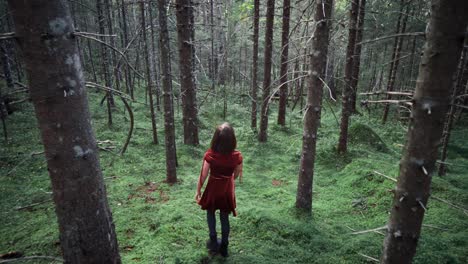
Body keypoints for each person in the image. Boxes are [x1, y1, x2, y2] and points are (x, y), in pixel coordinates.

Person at [195, 123, 243, 257]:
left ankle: (213, 241)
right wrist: (227, 178)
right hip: (227, 189)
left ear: (216, 138)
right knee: (224, 217)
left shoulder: (210, 155)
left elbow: (203, 175)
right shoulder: (237, 156)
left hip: (213, 187)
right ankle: (224, 247)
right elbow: (236, 174)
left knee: (210, 212)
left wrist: (198, 190)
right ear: (232, 139)